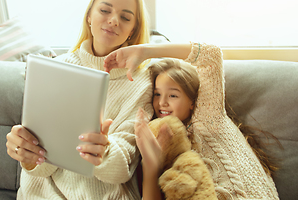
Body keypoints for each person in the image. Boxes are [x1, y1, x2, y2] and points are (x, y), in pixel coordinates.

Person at [6, 0, 155, 199]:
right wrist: (27, 153)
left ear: (133, 30)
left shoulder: (141, 81)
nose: (113, 20)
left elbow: (124, 166)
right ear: (88, 17)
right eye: (105, 10)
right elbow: (41, 156)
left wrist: (105, 152)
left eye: (125, 17)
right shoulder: (57, 66)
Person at [103, 42, 280, 199]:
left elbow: (211, 55)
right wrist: (151, 165)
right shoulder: (158, 139)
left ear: (192, 101)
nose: (162, 102)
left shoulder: (208, 118)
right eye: (157, 94)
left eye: (173, 95)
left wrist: (145, 51)